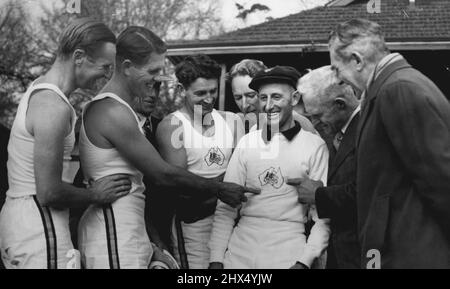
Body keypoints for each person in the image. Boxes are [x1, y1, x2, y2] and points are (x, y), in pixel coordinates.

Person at [78, 27, 258, 269]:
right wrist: (220, 187)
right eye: (152, 71)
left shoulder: (127, 112)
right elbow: (162, 175)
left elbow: (141, 188)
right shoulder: (111, 110)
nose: (157, 80)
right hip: (112, 233)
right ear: (128, 67)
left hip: (130, 231)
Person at [0, 18, 132, 269]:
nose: (107, 74)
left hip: (25, 220)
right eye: (105, 66)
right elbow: (49, 192)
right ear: (79, 56)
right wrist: (95, 194)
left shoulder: (40, 88)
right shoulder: (53, 106)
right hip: (39, 225)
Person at [326, 18, 450, 268]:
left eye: (337, 69)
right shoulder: (389, 88)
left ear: (357, 60)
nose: (338, 79)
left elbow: (442, 183)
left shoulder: (399, 89)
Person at [209, 66, 330, 269]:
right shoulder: (247, 142)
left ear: (294, 98)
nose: (268, 105)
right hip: (239, 251)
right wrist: (216, 259)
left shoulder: (315, 146)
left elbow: (323, 216)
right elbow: (226, 208)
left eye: (276, 97)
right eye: (263, 98)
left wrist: (305, 262)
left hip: (289, 250)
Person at [157, 54, 243, 269]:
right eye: (200, 93)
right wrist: (225, 183)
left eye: (213, 91)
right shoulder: (173, 126)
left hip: (232, 222)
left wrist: (218, 186)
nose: (208, 99)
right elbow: (181, 191)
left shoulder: (231, 121)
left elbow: (243, 172)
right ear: (181, 90)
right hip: (194, 227)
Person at [289, 65, 360, 269]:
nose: (314, 123)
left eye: (318, 115)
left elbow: (371, 192)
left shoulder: (370, 130)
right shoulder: (332, 133)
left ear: (339, 104)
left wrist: (319, 195)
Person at [228, 59, 316, 134]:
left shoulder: (298, 123)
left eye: (251, 96)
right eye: (238, 97)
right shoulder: (246, 125)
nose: (244, 105)